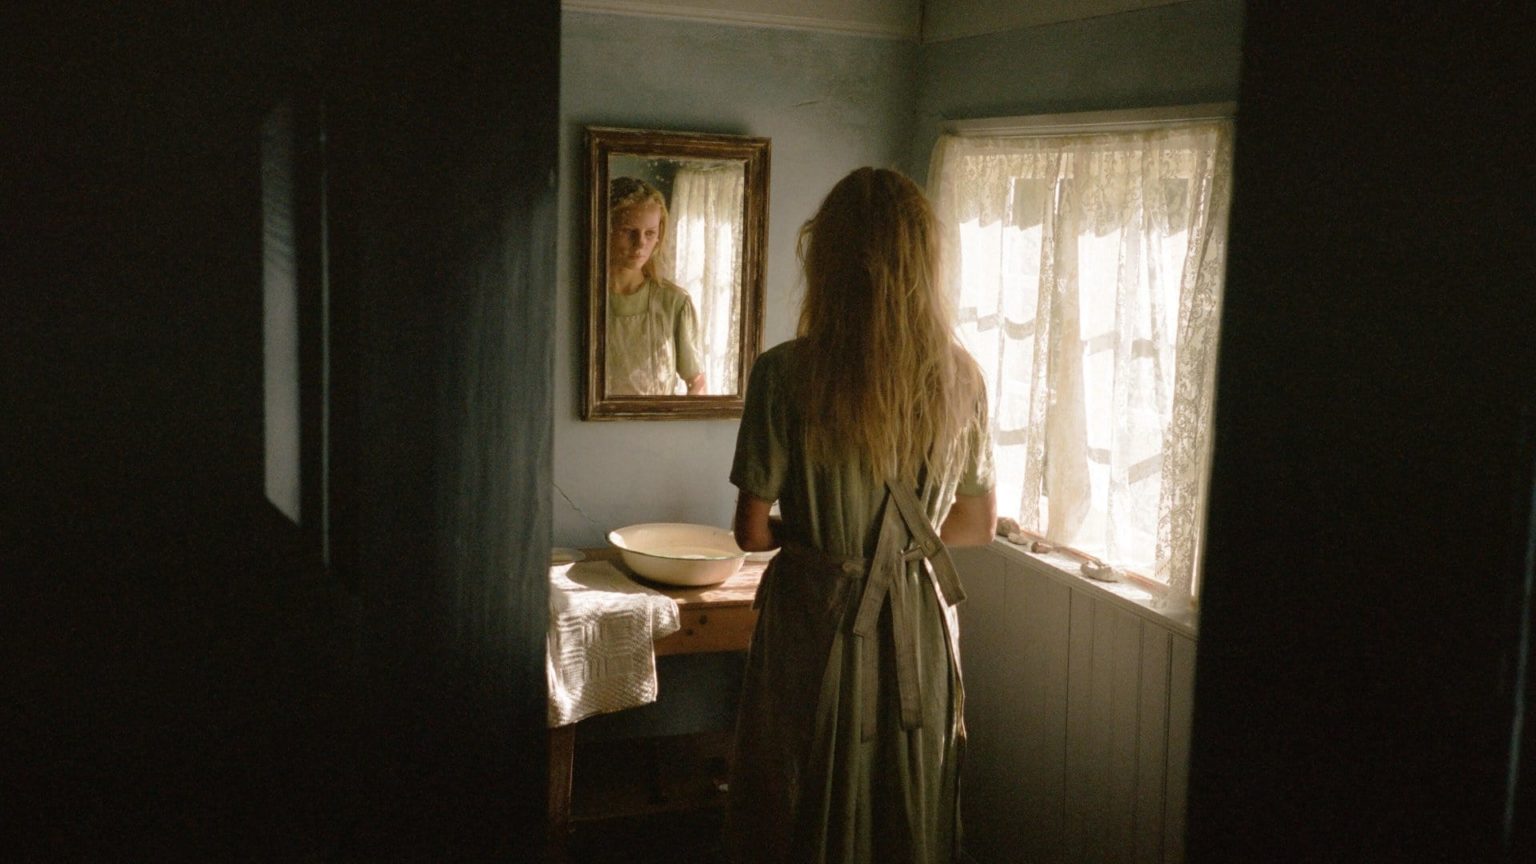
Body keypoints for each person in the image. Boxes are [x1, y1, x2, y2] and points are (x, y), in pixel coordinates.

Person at [726, 167, 997, 864]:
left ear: (828, 259)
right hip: (919, 620)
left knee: (799, 791)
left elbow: (750, 534)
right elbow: (976, 526)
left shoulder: (785, 374)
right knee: (909, 799)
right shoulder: (962, 378)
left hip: (818, 615)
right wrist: (898, 547)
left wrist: (819, 538)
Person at [605, 176, 706, 396]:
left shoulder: (673, 303)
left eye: (649, 233)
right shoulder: (579, 298)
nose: (640, 243)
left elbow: (697, 383)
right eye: (628, 231)